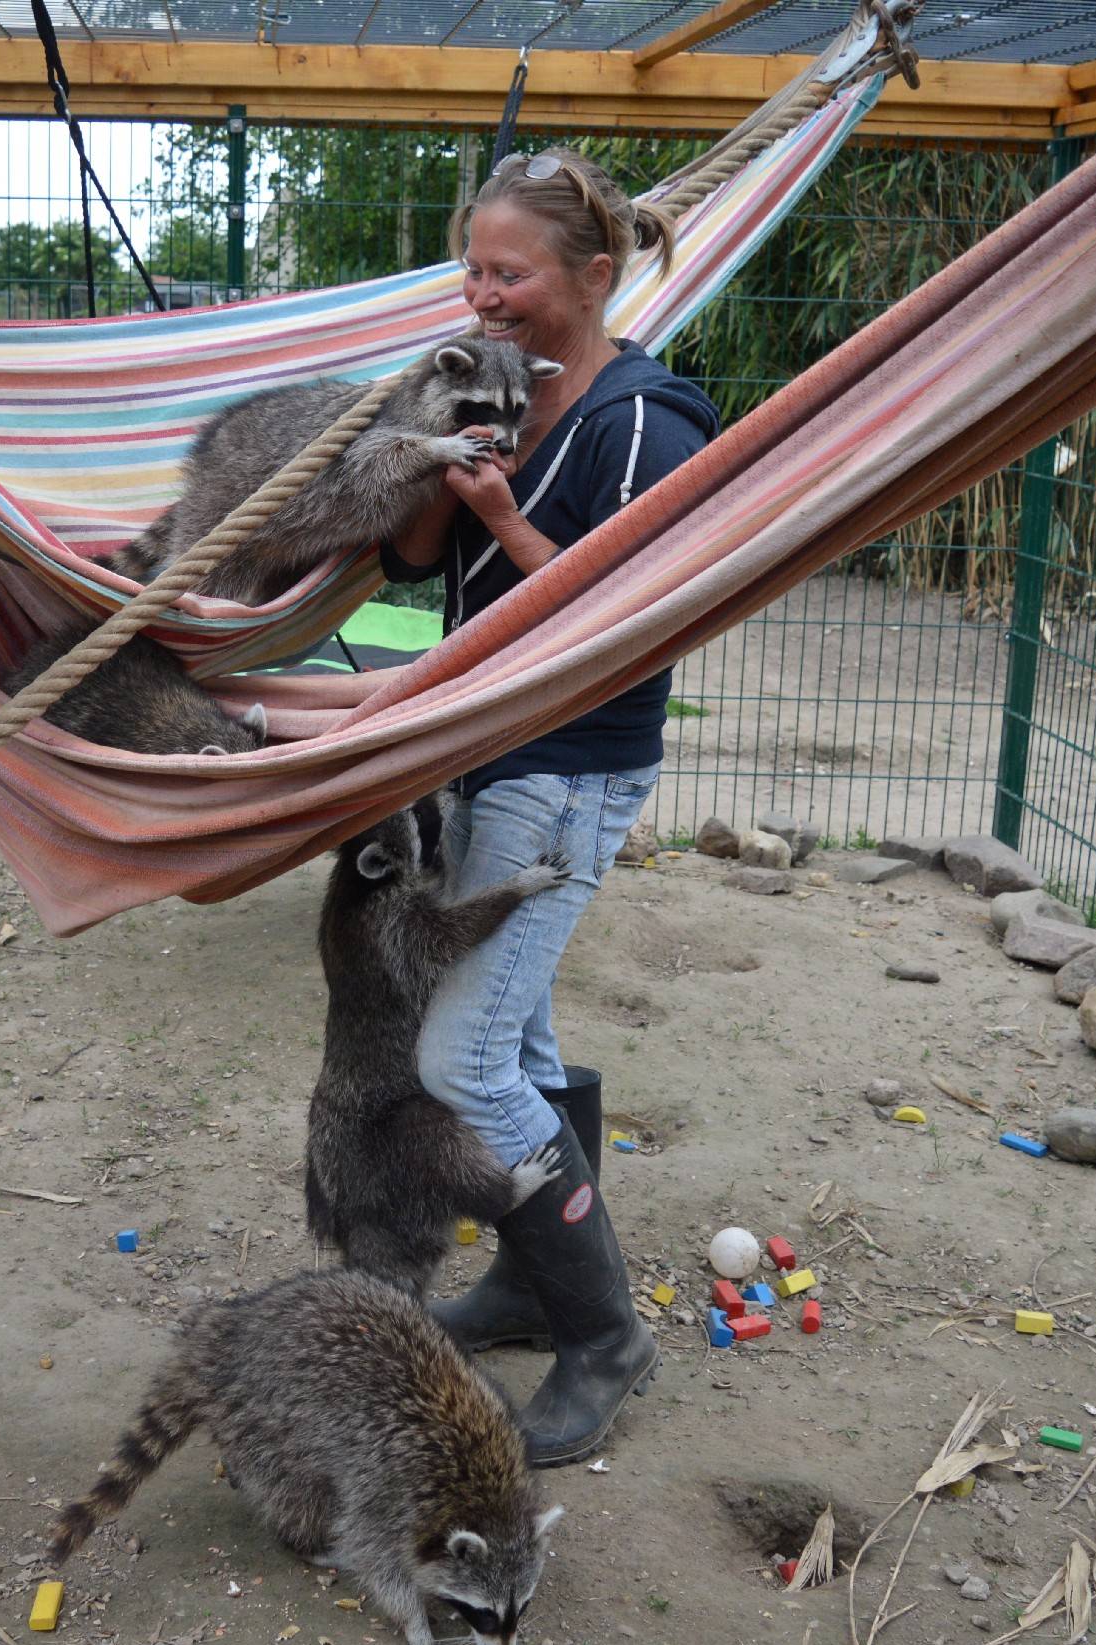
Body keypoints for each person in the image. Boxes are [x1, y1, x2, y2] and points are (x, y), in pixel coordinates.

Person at [382, 148, 719, 1466]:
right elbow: (417, 570)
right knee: (509, 1043)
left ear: (589, 277)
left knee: (456, 1067)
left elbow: (633, 619)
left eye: (507, 273)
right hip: (490, 752)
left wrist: (506, 514)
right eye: (471, 269)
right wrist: (427, 476)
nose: (482, 293)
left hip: (569, 766)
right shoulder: (496, 391)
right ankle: (533, 1287)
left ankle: (602, 1336)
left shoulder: (647, 417)